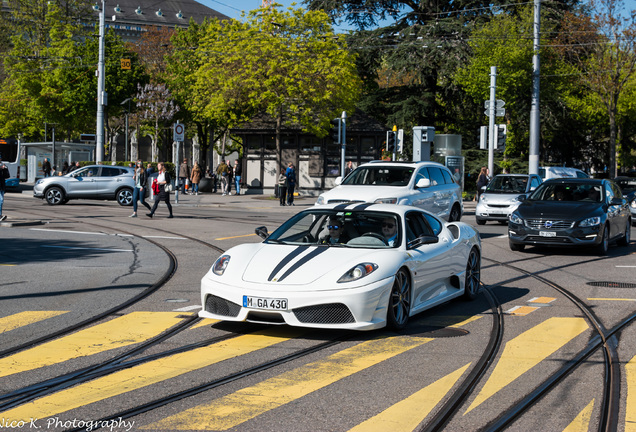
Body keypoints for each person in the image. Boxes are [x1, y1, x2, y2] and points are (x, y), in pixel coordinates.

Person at [0, 157, 9, 221]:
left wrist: (5, 169)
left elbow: (7, 176)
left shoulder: (3, 166)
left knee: (1, 201)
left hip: (1, 187)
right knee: (0, 201)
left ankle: (0, 215)